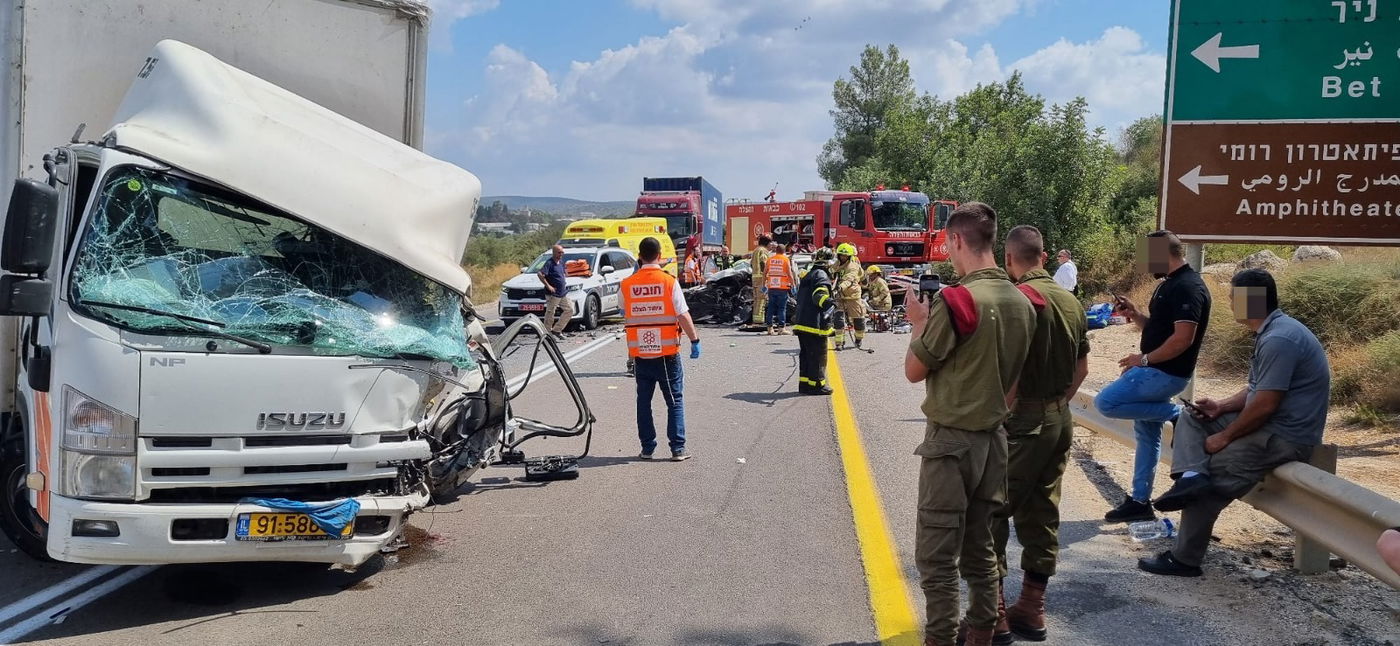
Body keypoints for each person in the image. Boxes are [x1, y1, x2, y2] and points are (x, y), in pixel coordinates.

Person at [1139, 269, 1329, 576]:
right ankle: (1190, 475)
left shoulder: (1279, 339)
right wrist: (1220, 407)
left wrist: (1225, 436)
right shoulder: (1272, 331)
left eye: (1233, 297)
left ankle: (1184, 559)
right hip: (1266, 422)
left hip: (1283, 435)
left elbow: (1266, 405)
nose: (1228, 303)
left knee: (1211, 479)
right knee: (1191, 417)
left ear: (1251, 301)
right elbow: (1257, 390)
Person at [904, 202, 1035, 646]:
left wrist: (918, 324)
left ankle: (939, 639)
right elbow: (1013, 383)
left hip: (950, 445)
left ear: (957, 240)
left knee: (937, 557)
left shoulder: (957, 300)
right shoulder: (1023, 301)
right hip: (993, 442)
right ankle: (982, 633)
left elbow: (914, 370)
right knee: (980, 546)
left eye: (947, 242)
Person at [991, 226, 1090, 644]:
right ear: (1044, 256)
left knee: (988, 511)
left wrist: (1002, 416)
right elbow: (1081, 370)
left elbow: (1008, 375)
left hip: (1022, 422)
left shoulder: (1015, 301)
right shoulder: (1072, 301)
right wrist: (1053, 406)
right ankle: (1031, 608)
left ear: (1008, 260)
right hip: (1058, 418)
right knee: (1042, 510)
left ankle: (992, 617)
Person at [1093, 230, 1211, 523]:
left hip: (1164, 373)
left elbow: (1183, 339)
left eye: (1147, 256)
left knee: (1106, 403)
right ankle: (1139, 501)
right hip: (1158, 369)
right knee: (1147, 435)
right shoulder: (1169, 285)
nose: (1144, 263)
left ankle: (1178, 414)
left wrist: (1143, 360)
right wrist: (1135, 314)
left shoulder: (1188, 286)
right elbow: (1159, 330)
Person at [621, 237, 701, 462]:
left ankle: (647, 449)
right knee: (674, 400)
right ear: (659, 257)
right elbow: (682, 314)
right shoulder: (668, 281)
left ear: (639, 256)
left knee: (643, 402)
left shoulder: (627, 284)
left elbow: (622, 309)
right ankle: (678, 448)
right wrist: (694, 340)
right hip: (666, 354)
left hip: (640, 354)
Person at [793, 247, 836, 395]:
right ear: (827, 263)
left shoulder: (810, 274)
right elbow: (819, 296)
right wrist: (830, 302)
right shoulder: (822, 275)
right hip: (814, 324)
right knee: (817, 355)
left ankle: (805, 384)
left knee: (806, 355)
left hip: (802, 322)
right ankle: (817, 385)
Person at [832, 243, 867, 350]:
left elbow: (849, 279)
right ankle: (839, 342)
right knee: (838, 319)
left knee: (858, 319)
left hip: (853, 296)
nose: (843, 257)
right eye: (841, 255)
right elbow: (830, 272)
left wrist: (841, 287)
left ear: (849, 256)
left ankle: (858, 339)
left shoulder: (853, 267)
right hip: (839, 296)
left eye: (845, 256)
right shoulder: (836, 264)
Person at [537, 244, 570, 340]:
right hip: (553, 294)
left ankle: (557, 330)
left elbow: (563, 273)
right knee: (550, 313)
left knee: (569, 310)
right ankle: (547, 334)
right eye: (559, 252)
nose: (561, 254)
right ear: (554, 252)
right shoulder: (549, 263)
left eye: (562, 252)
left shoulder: (561, 262)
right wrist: (548, 286)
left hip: (562, 292)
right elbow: (540, 274)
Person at [765, 243, 795, 335]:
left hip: (771, 288)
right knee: (782, 308)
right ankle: (781, 328)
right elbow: (789, 274)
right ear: (784, 251)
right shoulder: (785, 260)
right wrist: (793, 286)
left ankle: (770, 329)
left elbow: (765, 273)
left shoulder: (770, 259)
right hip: (782, 288)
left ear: (776, 251)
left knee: (770, 307)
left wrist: (763, 285)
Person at [749, 235, 772, 326]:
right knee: (762, 298)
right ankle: (759, 320)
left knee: (756, 299)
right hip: (761, 278)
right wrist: (766, 274)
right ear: (767, 243)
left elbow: (751, 264)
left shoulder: (755, 250)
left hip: (754, 277)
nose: (771, 245)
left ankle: (756, 318)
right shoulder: (763, 251)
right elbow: (763, 262)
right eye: (770, 243)